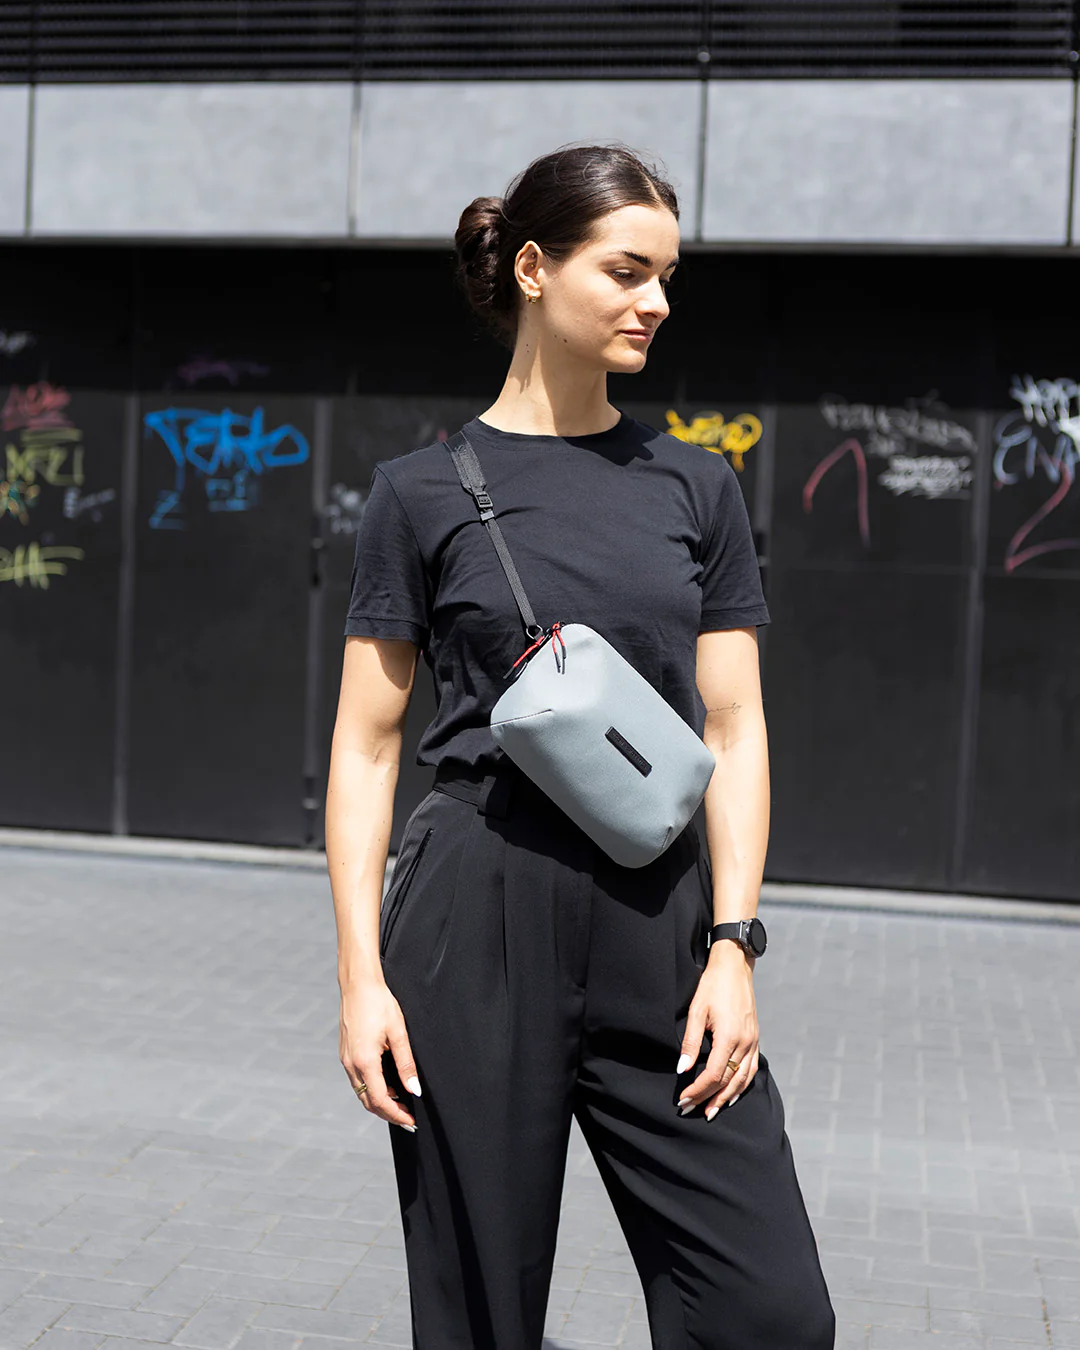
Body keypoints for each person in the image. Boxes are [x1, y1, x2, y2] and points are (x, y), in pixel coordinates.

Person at [325, 142, 836, 1350]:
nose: (656, 301)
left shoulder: (695, 487)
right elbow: (365, 747)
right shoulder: (419, 492)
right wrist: (359, 980)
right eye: (626, 270)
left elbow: (733, 725)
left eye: (667, 275)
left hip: (662, 917)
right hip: (473, 909)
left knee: (769, 1313)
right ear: (535, 269)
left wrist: (735, 945)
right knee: (481, 1310)